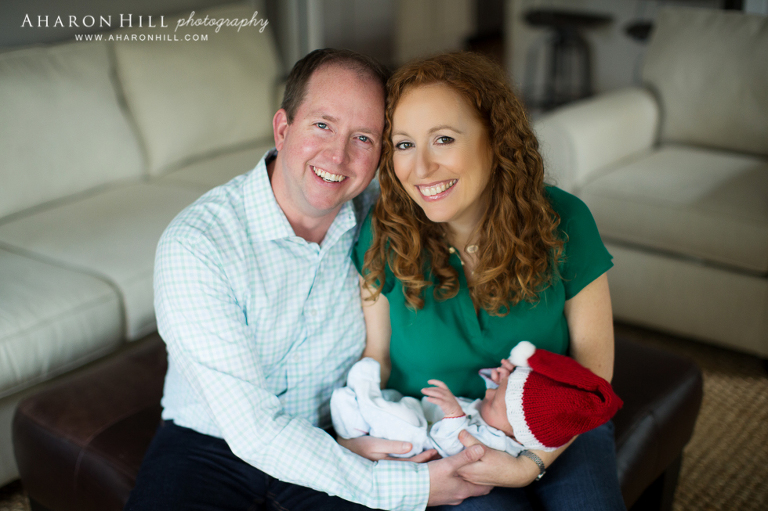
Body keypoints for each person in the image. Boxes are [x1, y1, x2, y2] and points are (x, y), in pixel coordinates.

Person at [124, 49, 491, 511]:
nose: (338, 155)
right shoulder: (197, 245)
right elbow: (254, 430)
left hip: (340, 432)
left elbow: (473, 189)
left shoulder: (387, 217)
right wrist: (408, 488)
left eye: (363, 137)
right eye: (322, 125)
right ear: (283, 129)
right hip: (211, 444)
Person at [349, 51, 627, 510]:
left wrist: (529, 464)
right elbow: (373, 360)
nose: (420, 168)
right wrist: (354, 435)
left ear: (495, 138)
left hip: (554, 422)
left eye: (443, 139)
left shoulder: (564, 220)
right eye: (403, 144)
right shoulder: (385, 234)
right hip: (445, 437)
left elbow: (595, 375)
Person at [331, 342, 622, 460]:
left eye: (494, 399)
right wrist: (501, 381)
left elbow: (454, 447)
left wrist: (454, 414)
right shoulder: (503, 422)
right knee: (399, 405)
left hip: (420, 444)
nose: (488, 394)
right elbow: (505, 401)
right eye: (496, 388)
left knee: (402, 420)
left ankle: (364, 396)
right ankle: (356, 421)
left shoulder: (497, 445)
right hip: (421, 415)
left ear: (515, 436)